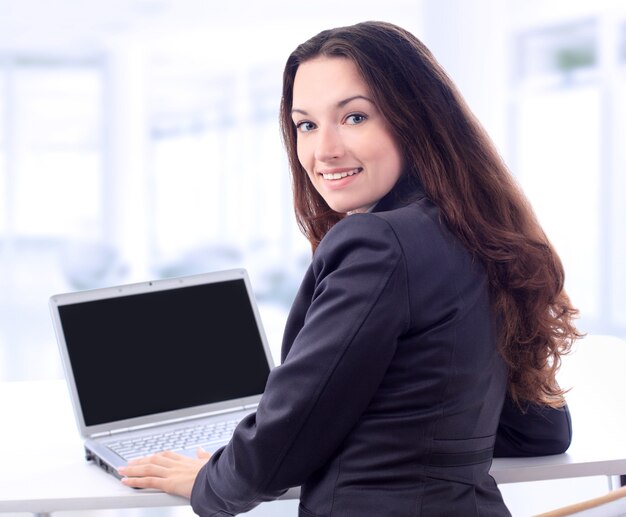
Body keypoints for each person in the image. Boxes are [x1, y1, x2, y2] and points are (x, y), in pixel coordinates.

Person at [118, 21, 581, 516]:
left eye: (355, 117)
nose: (324, 151)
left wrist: (209, 481)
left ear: (416, 119)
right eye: (306, 125)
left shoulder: (378, 243)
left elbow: (283, 440)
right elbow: (542, 432)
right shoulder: (475, 231)